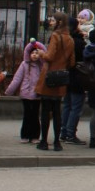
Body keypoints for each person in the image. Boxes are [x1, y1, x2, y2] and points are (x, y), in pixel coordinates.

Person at [34, 11, 75, 152]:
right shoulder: (70, 38)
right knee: (57, 111)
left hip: (50, 76)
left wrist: (40, 53)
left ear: (59, 22)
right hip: (61, 77)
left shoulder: (55, 36)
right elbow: (72, 61)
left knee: (45, 111)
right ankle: (57, 142)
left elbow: (49, 56)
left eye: (53, 20)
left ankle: (44, 141)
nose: (50, 22)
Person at [7, 40, 45, 143]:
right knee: (27, 115)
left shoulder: (42, 66)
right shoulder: (24, 64)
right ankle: (25, 135)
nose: (34, 55)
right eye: (32, 53)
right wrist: (10, 90)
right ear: (28, 54)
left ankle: (35, 136)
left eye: (37, 53)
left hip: (37, 94)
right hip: (26, 94)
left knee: (35, 115)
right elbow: (17, 78)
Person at [60, 15, 88, 145]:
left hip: (66, 75)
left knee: (67, 105)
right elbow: (84, 59)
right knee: (76, 107)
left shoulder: (63, 39)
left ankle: (64, 132)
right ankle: (71, 133)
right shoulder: (78, 41)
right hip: (78, 76)